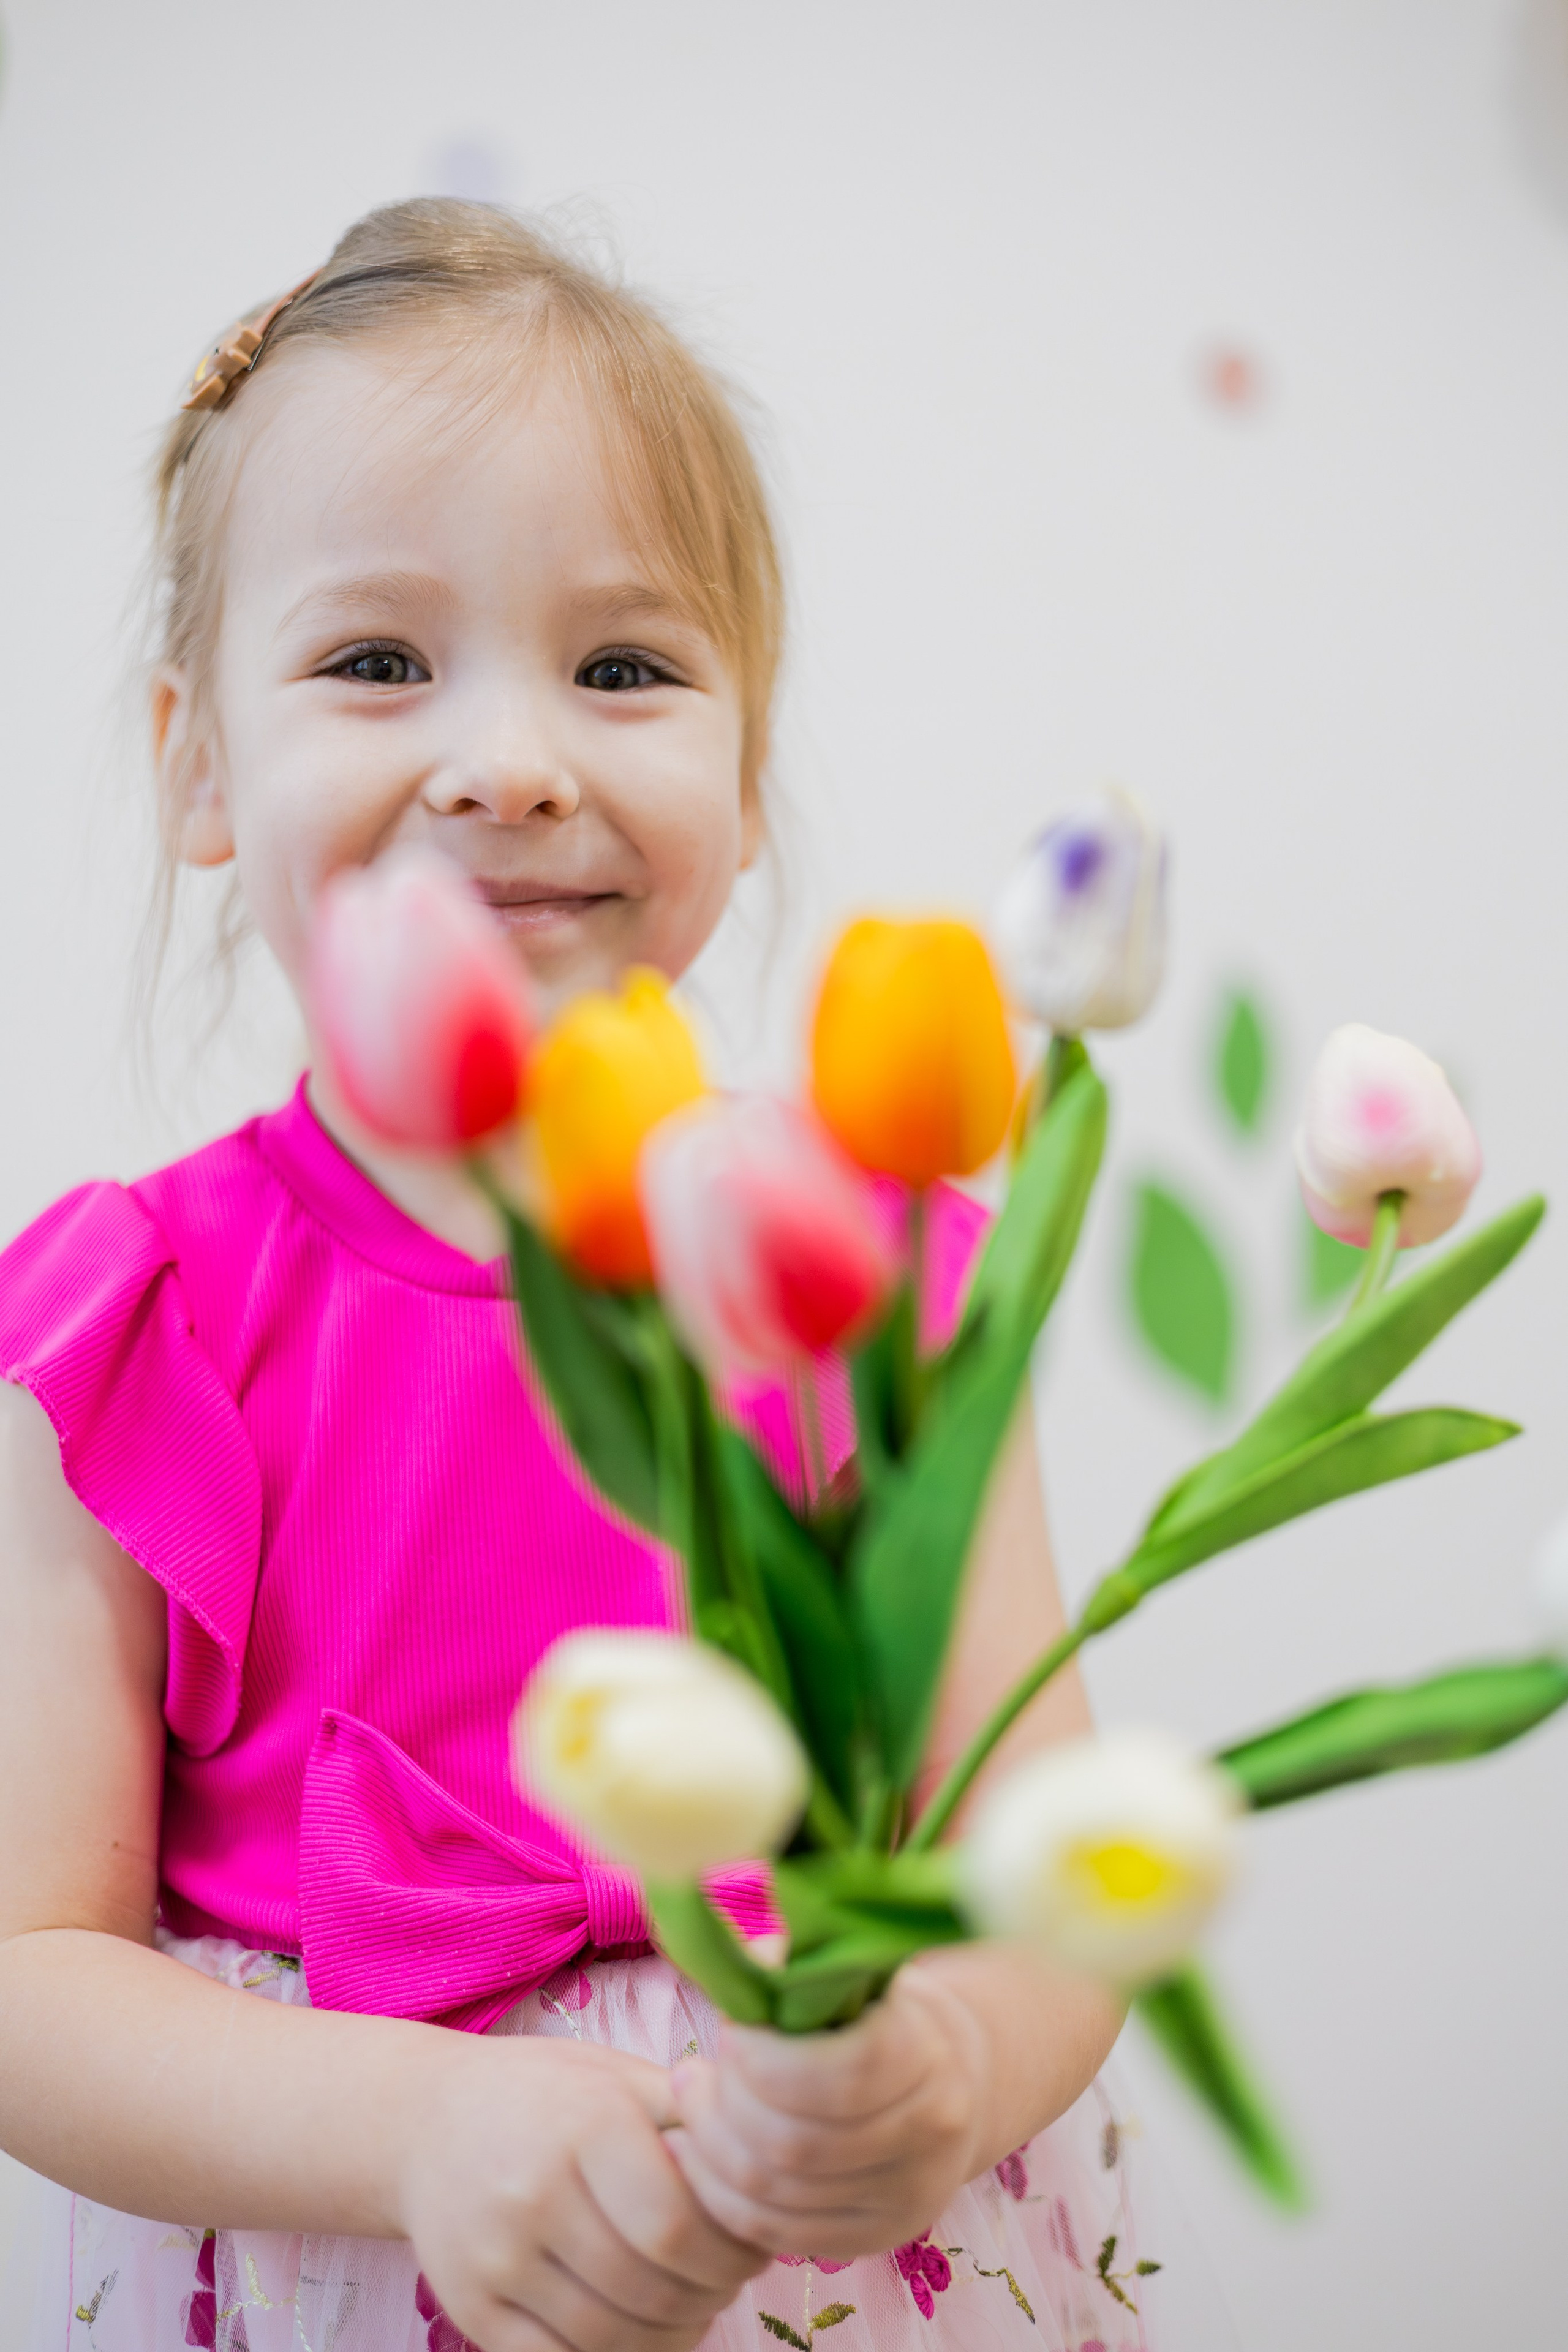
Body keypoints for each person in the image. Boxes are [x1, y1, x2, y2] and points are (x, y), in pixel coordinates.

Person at [0, 201, 1153, 2352]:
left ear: (744, 743)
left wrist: (951, 2074)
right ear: (196, 761)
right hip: (353, 2230)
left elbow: (1052, 1851)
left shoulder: (868, 1286)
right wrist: (415, 2129)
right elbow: (27, 1977)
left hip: (830, 2256)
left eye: (625, 666)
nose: (514, 756)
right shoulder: (138, 1319)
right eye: (375, 662)